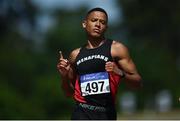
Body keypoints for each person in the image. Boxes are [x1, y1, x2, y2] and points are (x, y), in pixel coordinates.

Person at [57, 7, 142, 120]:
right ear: (84, 24)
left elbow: (138, 83)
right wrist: (64, 77)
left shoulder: (116, 49)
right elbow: (68, 93)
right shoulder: (75, 55)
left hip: (106, 113)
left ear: (106, 27)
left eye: (102, 22)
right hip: (81, 112)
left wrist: (120, 73)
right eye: (94, 20)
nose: (98, 24)